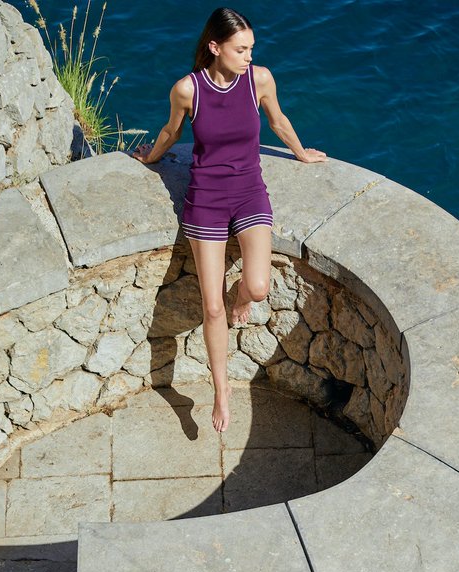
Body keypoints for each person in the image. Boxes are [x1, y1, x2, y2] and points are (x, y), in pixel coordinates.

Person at [133, 7, 326, 433]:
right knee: (211, 305)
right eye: (241, 49)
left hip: (249, 193)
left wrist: (301, 153)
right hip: (206, 201)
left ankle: (241, 301)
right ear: (215, 47)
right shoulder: (188, 89)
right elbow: (172, 132)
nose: (248, 56)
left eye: (251, 48)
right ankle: (221, 389)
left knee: (256, 287)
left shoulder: (259, 80)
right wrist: (150, 157)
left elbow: (277, 120)